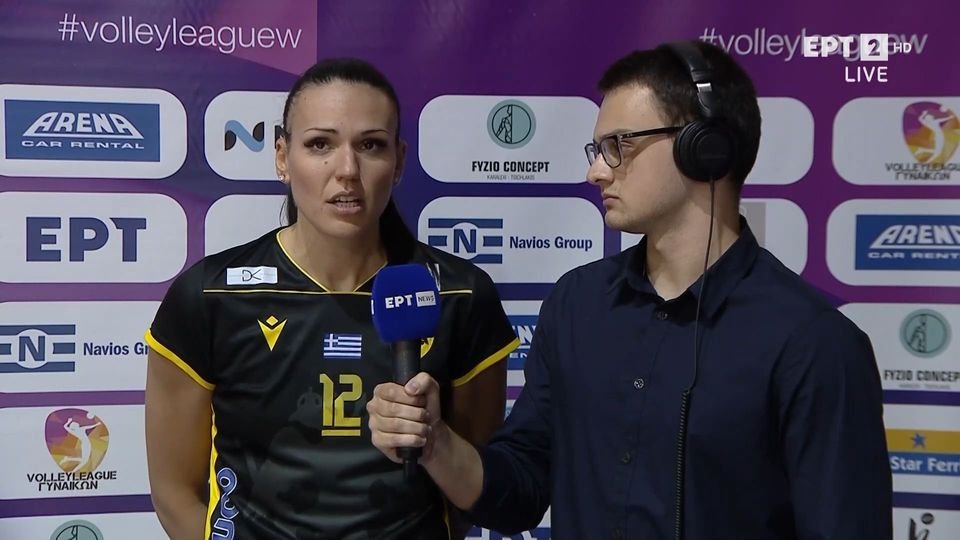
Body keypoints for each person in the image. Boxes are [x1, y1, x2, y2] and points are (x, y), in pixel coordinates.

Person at [367, 40, 893, 539]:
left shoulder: (814, 343)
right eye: (598, 149)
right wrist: (435, 441)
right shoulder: (576, 304)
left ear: (703, 147)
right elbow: (518, 491)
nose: (596, 171)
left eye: (619, 146)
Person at [144, 58, 519, 540]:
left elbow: (476, 489)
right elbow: (174, 492)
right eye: (320, 144)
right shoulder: (211, 294)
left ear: (399, 162)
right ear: (282, 157)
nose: (347, 170)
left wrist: (435, 440)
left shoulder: (459, 294)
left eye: (371, 145)